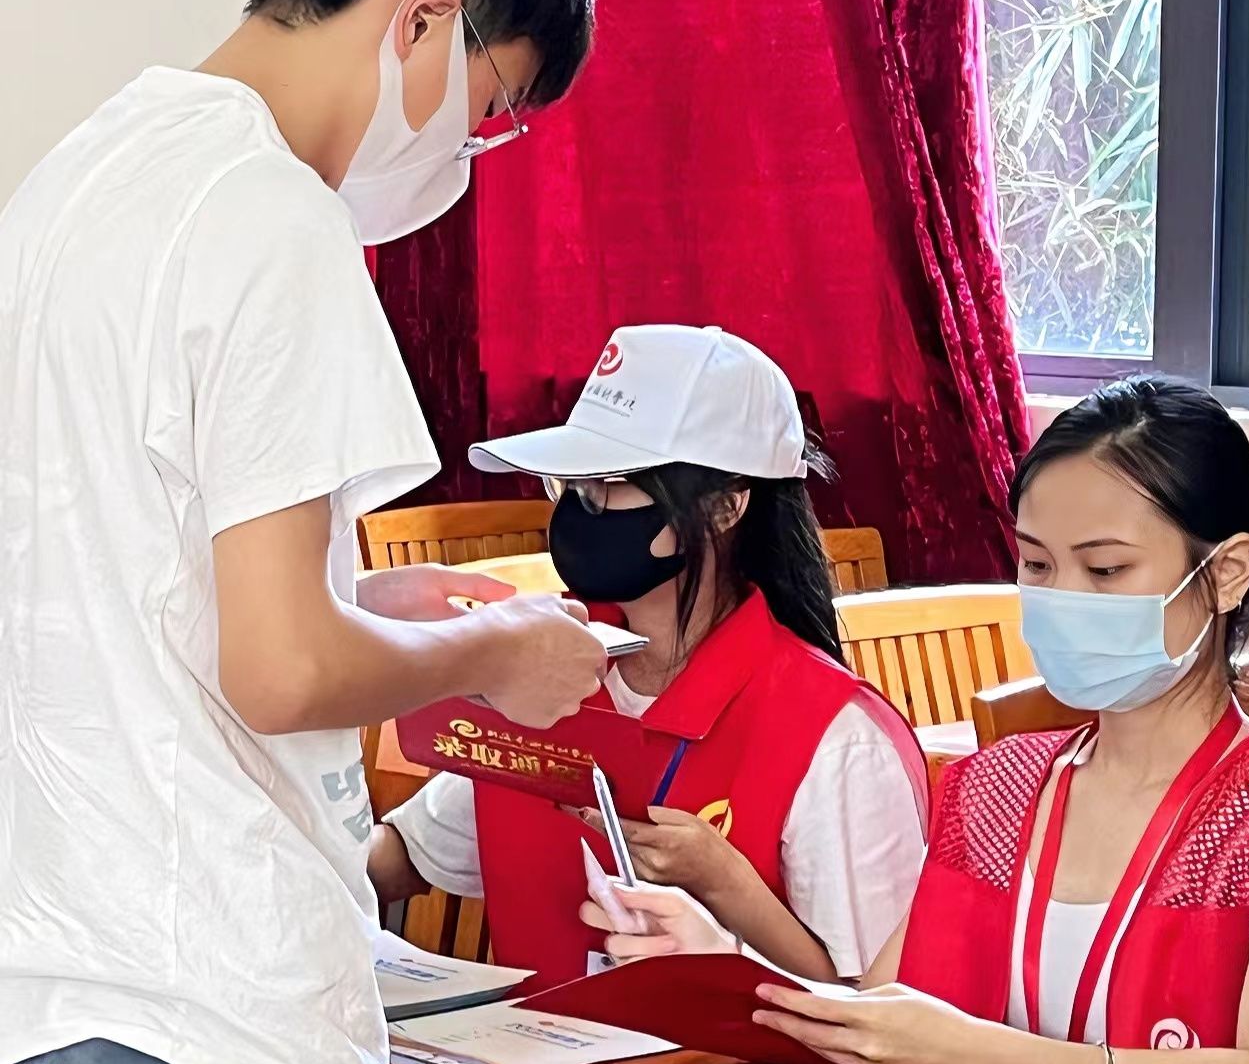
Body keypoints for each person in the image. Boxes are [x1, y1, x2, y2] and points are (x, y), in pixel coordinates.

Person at [0, 0, 608, 1064]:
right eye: (491, 105)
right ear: (420, 20)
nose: (468, 150)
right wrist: (496, 648)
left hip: (46, 989)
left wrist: (404, 609)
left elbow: (144, 595)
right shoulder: (266, 214)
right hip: (209, 1011)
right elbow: (274, 665)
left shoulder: (74, 183)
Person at [592, 378, 1249, 1064]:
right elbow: (882, 1017)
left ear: (1227, 572)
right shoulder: (994, 788)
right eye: (1036, 563)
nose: (1062, 598)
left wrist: (975, 1054)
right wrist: (722, 959)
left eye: (1105, 568)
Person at [370, 324, 930, 986]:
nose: (579, 513)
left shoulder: (836, 738)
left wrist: (725, 887)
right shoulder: (540, 675)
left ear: (724, 506)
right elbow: (405, 854)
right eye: (569, 485)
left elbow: (874, 1015)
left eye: (607, 484)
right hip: (526, 1052)